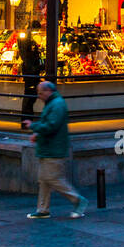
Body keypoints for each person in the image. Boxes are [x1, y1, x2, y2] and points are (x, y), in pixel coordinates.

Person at [23, 80, 87, 219]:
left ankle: (77, 200)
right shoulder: (54, 104)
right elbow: (49, 125)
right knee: (45, 180)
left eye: (40, 93)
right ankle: (42, 209)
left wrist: (34, 127)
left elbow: (51, 126)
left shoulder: (56, 105)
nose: (39, 96)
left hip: (53, 149)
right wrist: (38, 134)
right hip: (50, 148)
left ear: (48, 91)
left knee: (52, 179)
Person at [18, 31, 43, 118]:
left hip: (30, 79)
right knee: (29, 99)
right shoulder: (29, 56)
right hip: (31, 79)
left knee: (29, 99)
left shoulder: (26, 56)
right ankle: (26, 118)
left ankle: (27, 118)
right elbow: (35, 67)